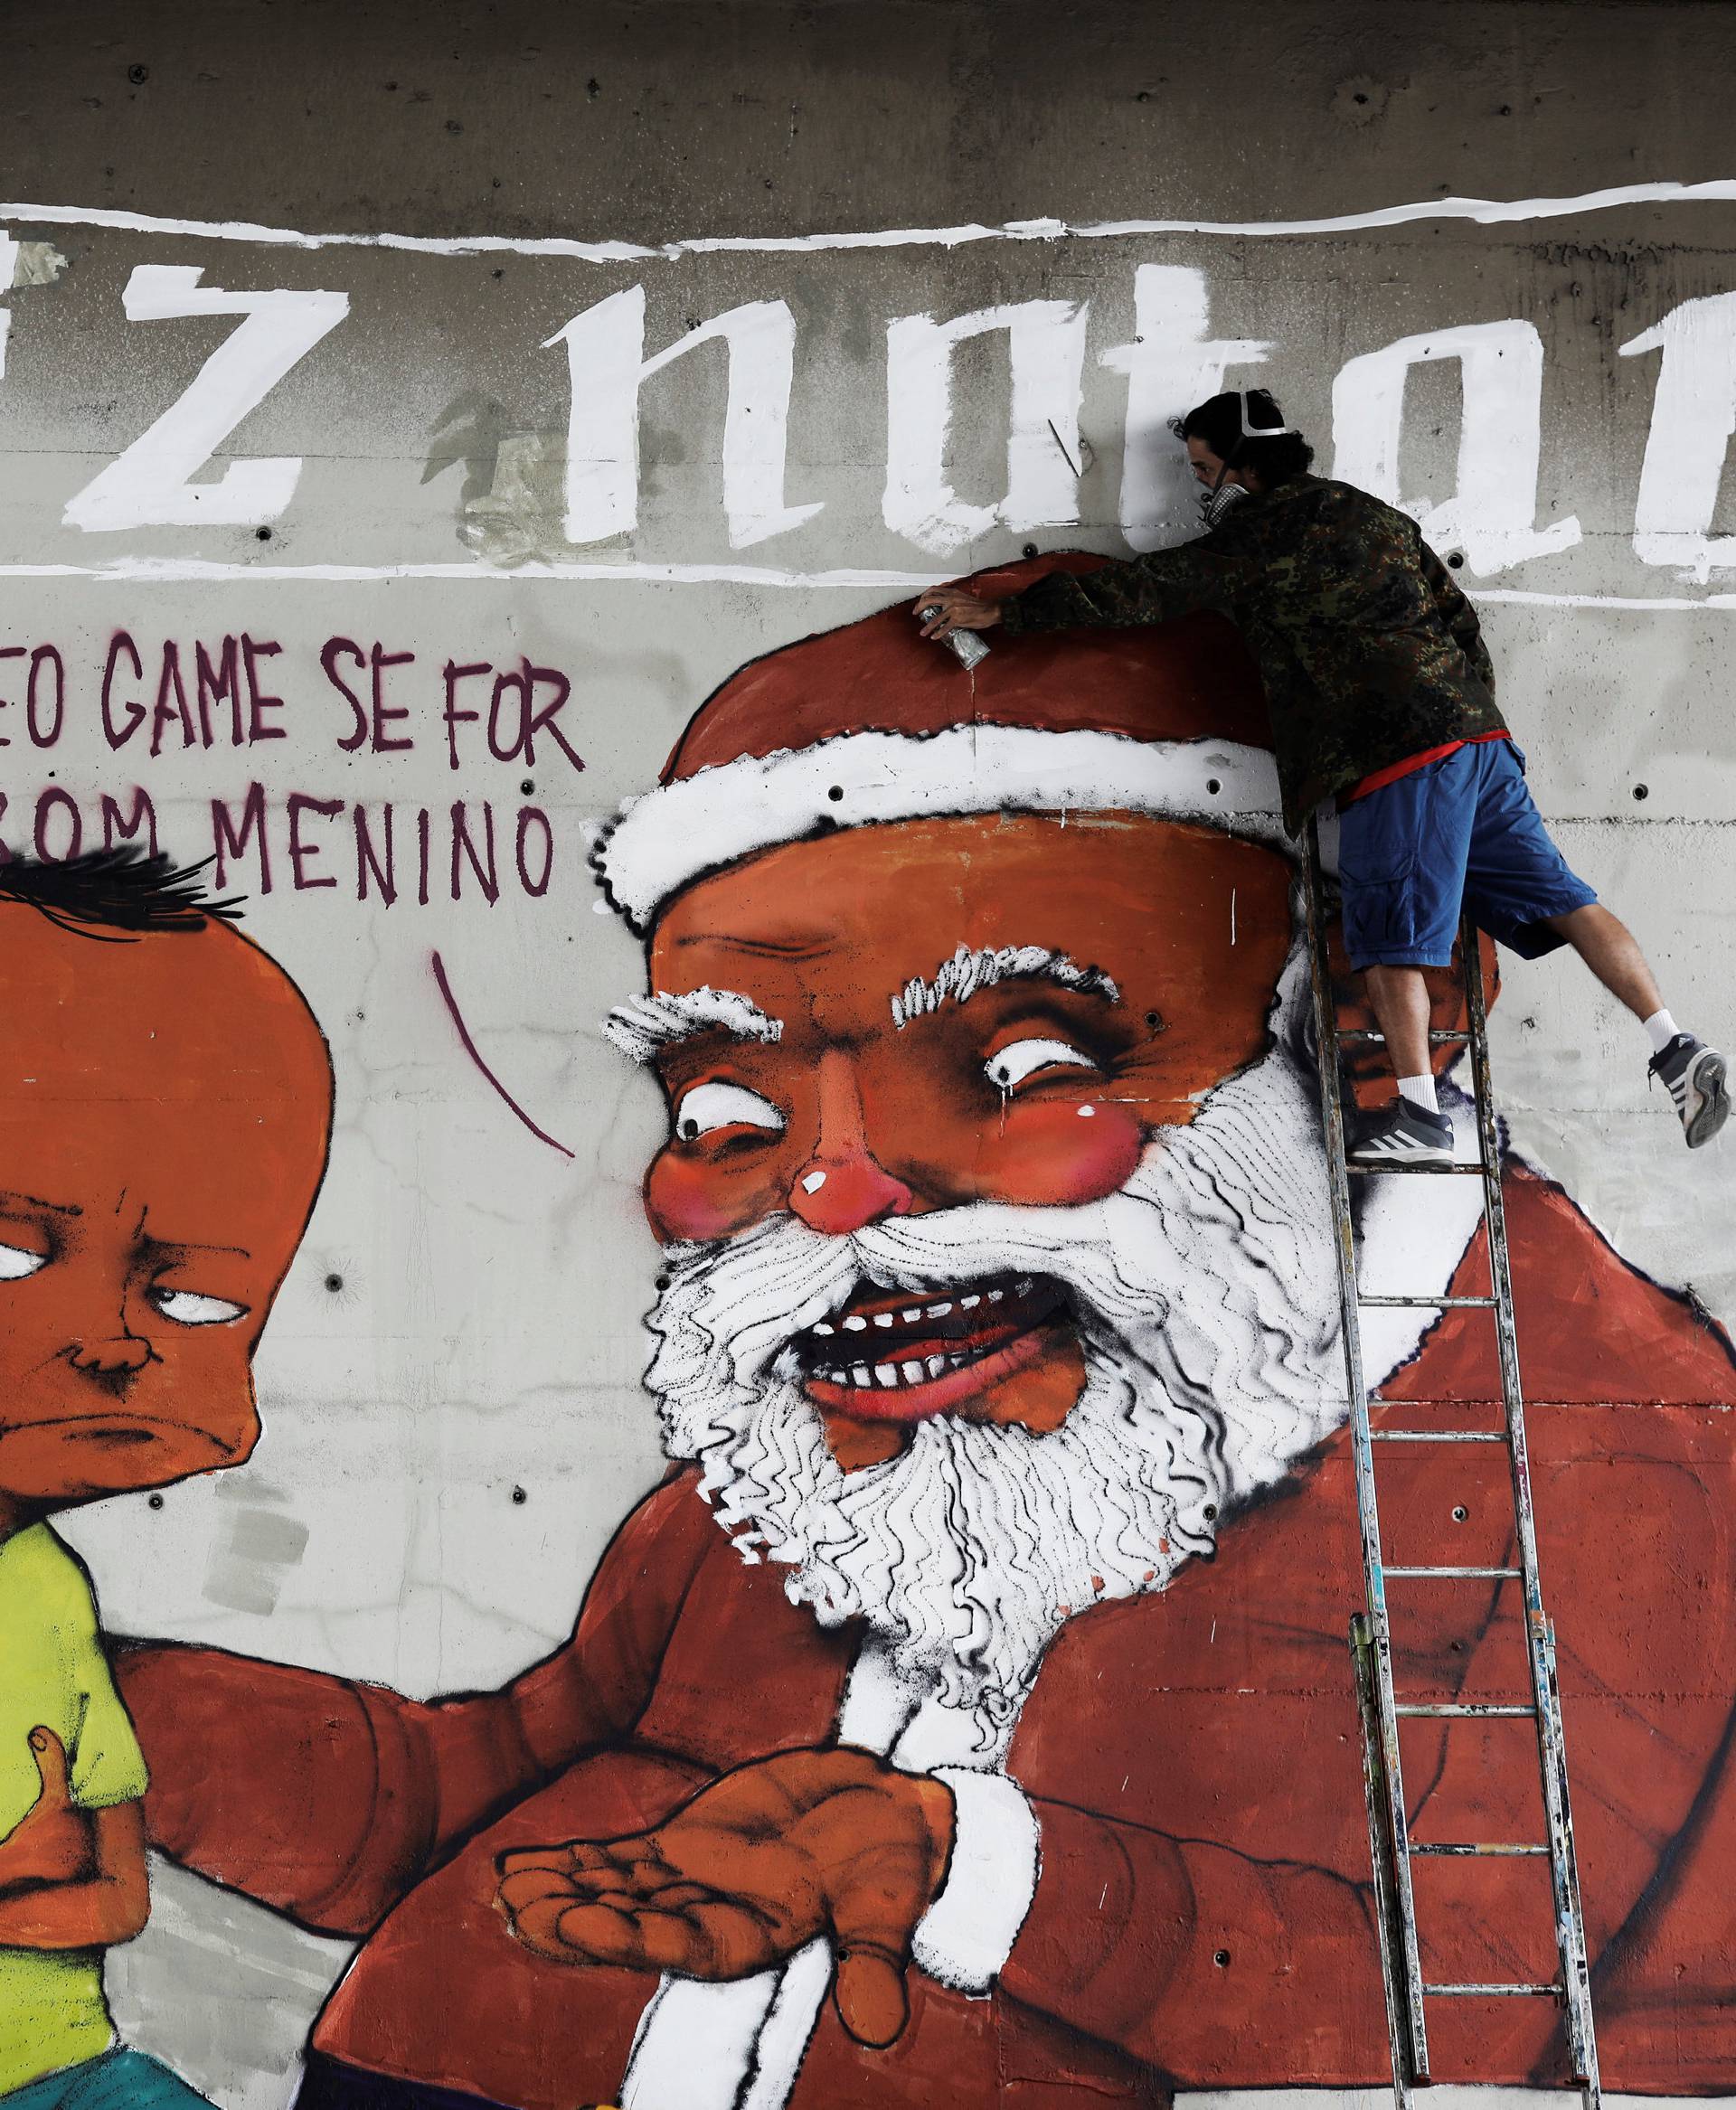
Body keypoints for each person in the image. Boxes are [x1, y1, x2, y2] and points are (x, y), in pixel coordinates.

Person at [116, 586, 1736, 2110]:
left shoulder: (1606, 1445)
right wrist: (84, 1698)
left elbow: (1489, 1986)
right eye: (729, 1108)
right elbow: (471, 1787)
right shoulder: (827, 1457)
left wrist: (958, 1862)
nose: (832, 1188)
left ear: (1387, 1026)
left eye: (1023, 1061)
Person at [915, 387, 1728, 1165]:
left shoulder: (1265, 533)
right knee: (1564, 898)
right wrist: (1457, 711)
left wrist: (1006, 613)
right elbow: (1459, 620)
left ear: (1240, 465)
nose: (1203, 487)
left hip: (1394, 757)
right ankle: (1673, 1046)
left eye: (1205, 470)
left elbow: (1147, 590)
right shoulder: (1374, 515)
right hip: (1478, 739)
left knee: (1390, 939)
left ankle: (1421, 1115)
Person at [0, 852, 332, 2110]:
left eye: (192, 1295)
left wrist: (40, 1892)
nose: (115, 1343)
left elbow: (110, 1892)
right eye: (11, 1251)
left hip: (67, 2074)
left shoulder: (44, 1587)